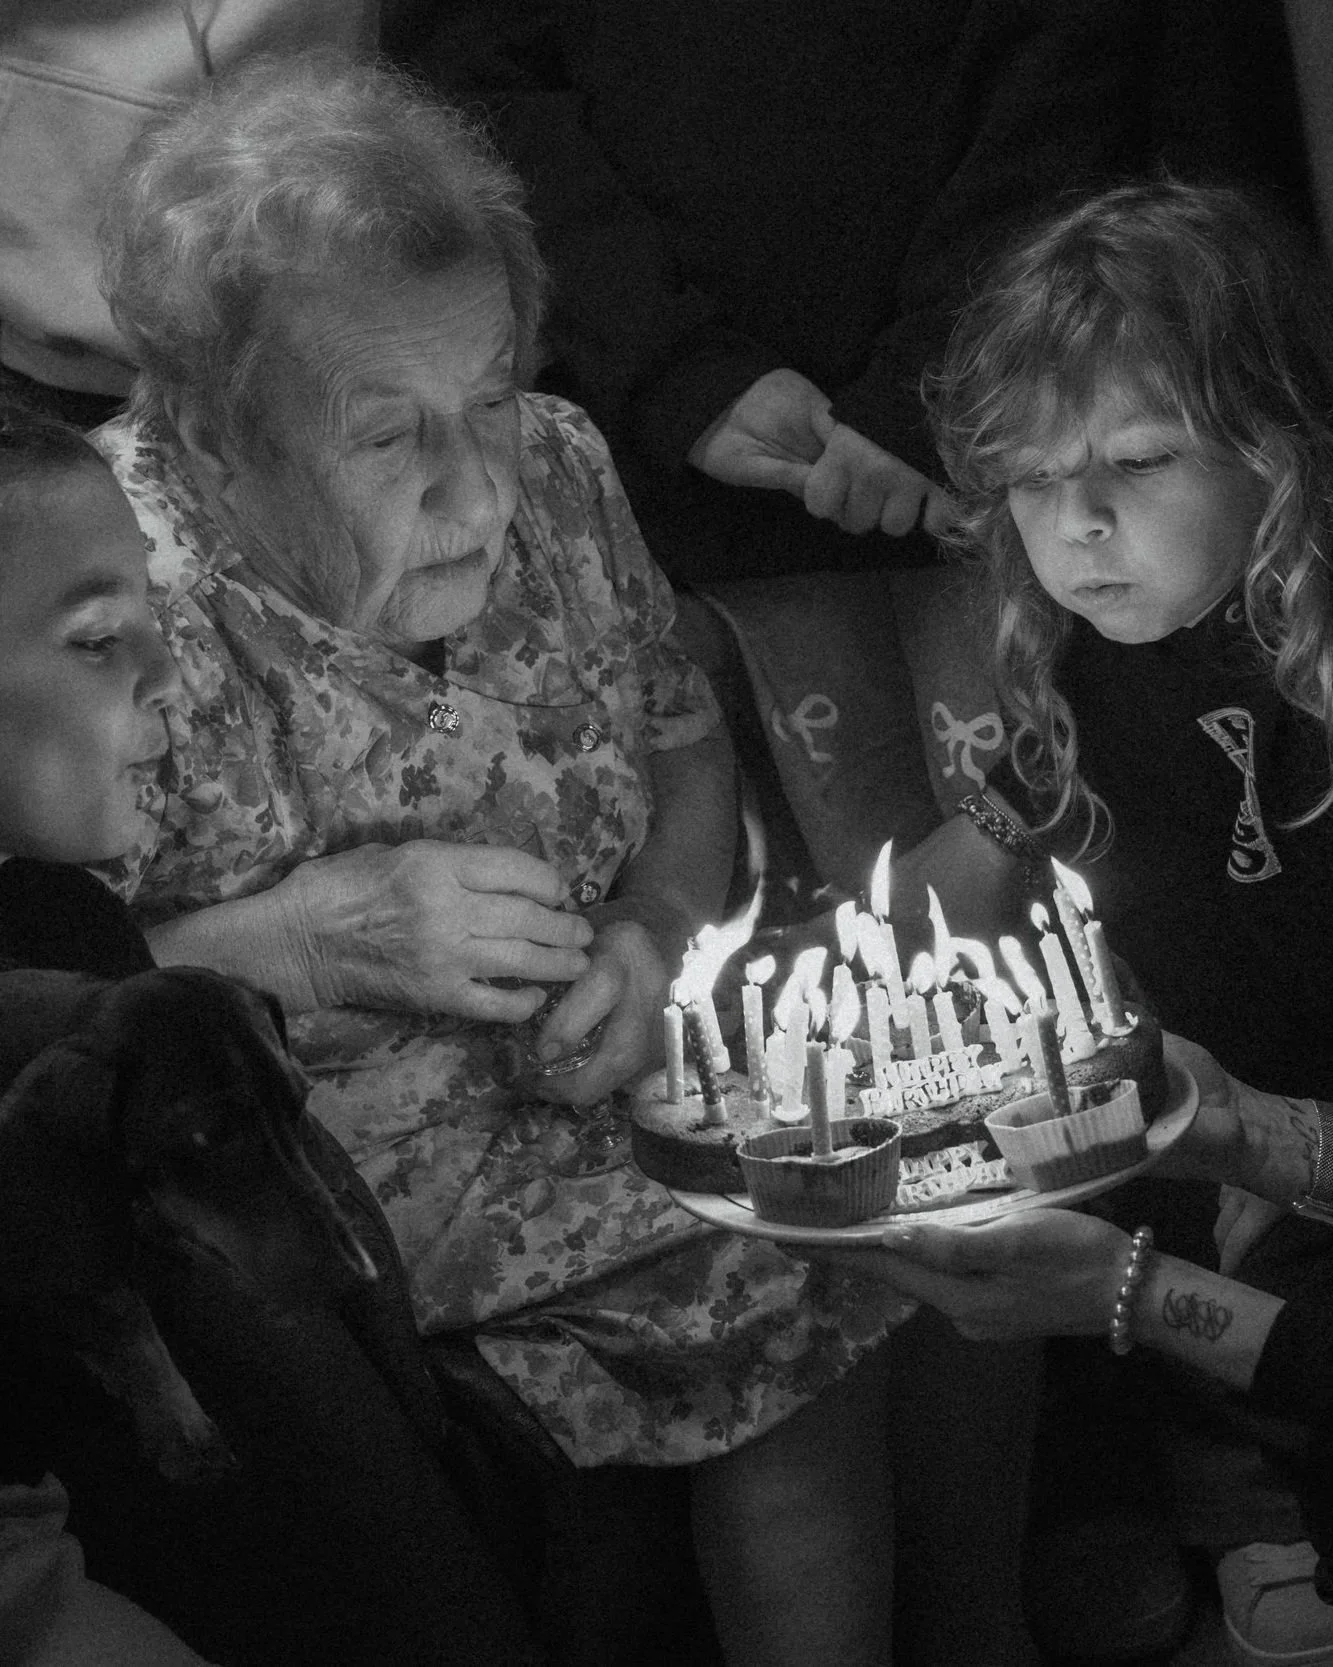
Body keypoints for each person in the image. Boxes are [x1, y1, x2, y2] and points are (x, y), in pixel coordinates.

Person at [88, 48, 1042, 1667]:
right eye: (390, 439)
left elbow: (673, 731)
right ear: (224, 437)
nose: (478, 488)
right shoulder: (95, 604)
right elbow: (38, 1007)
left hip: (611, 1057)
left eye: (490, 395)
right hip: (326, 1168)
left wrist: (663, 924)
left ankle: (982, 1633)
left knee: (969, 1150)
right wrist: (312, 937)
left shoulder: (564, 467)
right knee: (778, 1271)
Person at [834, 179, 1333, 1667]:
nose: (1080, 524)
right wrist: (814, 982)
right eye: (1035, 481)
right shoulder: (1080, 657)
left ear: (1280, 450)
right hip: (1207, 1086)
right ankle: (1247, 1500)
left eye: (1137, 460)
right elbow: (981, 847)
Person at [0, 405, 547, 1665]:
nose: (170, 672)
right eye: (95, 639)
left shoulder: (59, 913)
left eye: (154, 614)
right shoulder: (68, 1037)